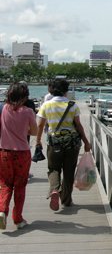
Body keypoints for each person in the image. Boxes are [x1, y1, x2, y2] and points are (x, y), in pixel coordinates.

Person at [36, 78, 91, 211]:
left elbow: (40, 125)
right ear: (66, 91)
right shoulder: (72, 105)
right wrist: (86, 142)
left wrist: (38, 141)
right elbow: (78, 125)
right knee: (69, 172)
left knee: (54, 169)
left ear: (51, 90)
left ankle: (54, 190)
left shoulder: (46, 105)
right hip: (72, 145)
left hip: (54, 144)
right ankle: (66, 200)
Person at [0, 82, 38, 230]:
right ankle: (18, 220)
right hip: (22, 153)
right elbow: (34, 132)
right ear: (24, 97)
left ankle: (2, 211)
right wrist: (23, 131)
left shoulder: (3, 109)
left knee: (5, 184)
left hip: (3, 152)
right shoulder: (28, 111)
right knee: (20, 186)